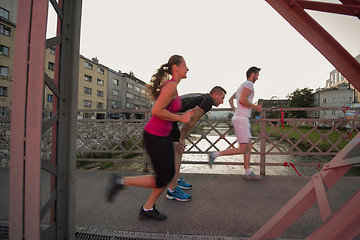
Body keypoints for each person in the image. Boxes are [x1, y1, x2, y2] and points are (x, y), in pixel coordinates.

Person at [106, 55, 193, 220]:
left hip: (163, 135)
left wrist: (183, 115)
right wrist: (181, 118)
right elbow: (156, 111)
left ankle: (147, 209)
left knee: (167, 176)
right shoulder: (171, 86)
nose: (187, 69)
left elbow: (168, 112)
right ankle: (121, 182)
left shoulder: (173, 87)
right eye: (185, 66)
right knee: (164, 177)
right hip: (155, 135)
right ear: (176, 68)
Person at [166, 87, 227, 201]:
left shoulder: (204, 97)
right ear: (215, 95)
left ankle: (176, 181)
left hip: (169, 115)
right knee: (177, 150)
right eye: (222, 98)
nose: (222, 102)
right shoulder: (208, 101)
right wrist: (182, 138)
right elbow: (192, 120)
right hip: (166, 116)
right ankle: (172, 190)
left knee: (178, 151)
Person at [208, 66, 263, 181]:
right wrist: (256, 107)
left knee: (249, 146)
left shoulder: (241, 86)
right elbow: (242, 100)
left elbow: (231, 99)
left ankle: (248, 173)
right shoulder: (248, 85)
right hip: (242, 119)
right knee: (243, 149)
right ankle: (214, 154)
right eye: (257, 75)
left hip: (241, 118)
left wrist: (235, 110)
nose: (258, 77)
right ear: (252, 74)